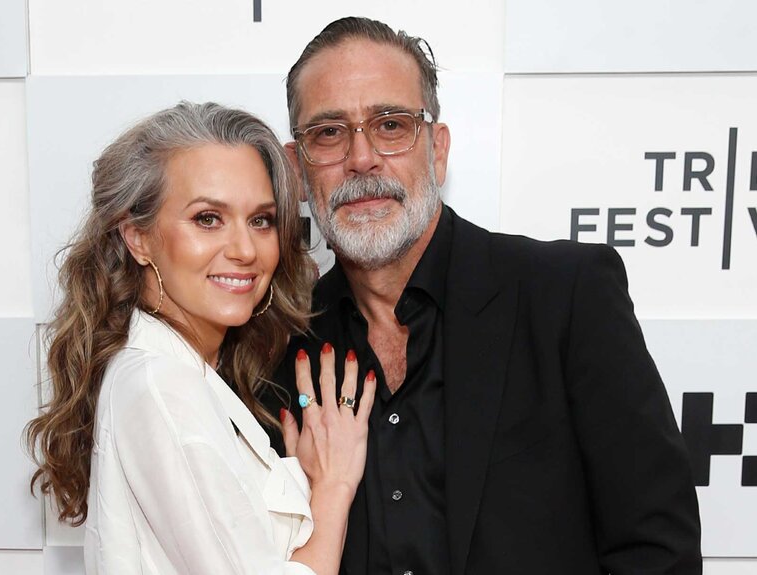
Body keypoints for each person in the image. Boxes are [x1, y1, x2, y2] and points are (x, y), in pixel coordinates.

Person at [271, 17, 703, 575]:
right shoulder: (282, 342)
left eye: (391, 124)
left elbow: (657, 550)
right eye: (328, 133)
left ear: (438, 148)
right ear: (298, 171)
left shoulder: (564, 296)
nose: (362, 157)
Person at [25, 101, 376, 575]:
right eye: (207, 219)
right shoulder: (162, 385)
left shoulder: (181, 369)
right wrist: (333, 489)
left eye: (261, 220)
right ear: (138, 238)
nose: (245, 250)